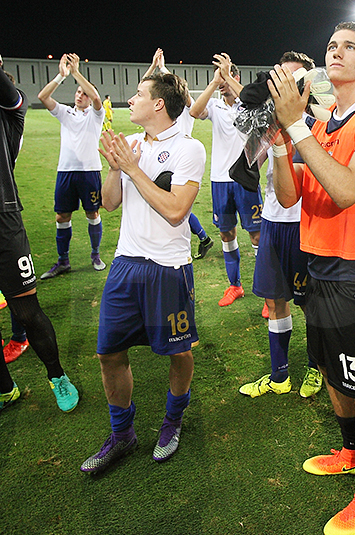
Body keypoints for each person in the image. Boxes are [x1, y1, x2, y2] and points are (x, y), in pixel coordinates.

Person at [270, 21, 355, 534]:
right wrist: (283, 142)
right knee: (330, 368)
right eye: (332, 45)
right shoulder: (323, 124)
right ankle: (351, 451)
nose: (337, 52)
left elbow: (347, 189)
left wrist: (299, 128)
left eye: (351, 47)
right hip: (318, 261)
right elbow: (289, 196)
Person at [80, 72, 205, 472]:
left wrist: (133, 169)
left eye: (138, 94)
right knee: (108, 353)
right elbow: (112, 204)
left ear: (158, 105)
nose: (130, 100)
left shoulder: (189, 149)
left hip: (169, 268)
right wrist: (116, 168)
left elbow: (174, 212)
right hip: (125, 264)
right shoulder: (132, 145)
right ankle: (123, 435)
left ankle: (172, 421)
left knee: (178, 351)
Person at [239, 51, 323, 399]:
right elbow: (249, 161)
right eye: (279, 79)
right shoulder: (265, 120)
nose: (283, 86)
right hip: (275, 222)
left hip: (308, 224)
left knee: (312, 305)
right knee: (275, 301)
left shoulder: (321, 120)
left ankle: (317, 370)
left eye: (293, 79)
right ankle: (279, 375)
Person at [0, 59, 79, 413]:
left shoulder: (10, 107)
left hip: (4, 221)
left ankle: (58, 377)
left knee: (28, 310)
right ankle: (5, 389)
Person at [190, 53, 262, 306]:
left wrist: (229, 77)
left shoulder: (249, 103)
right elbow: (194, 111)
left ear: (236, 76)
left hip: (246, 178)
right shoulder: (215, 106)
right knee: (226, 234)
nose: (221, 81)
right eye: (218, 76)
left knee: (256, 236)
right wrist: (213, 83)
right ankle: (235, 286)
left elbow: (259, 104)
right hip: (220, 180)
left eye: (226, 76)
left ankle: (267, 294)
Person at [37, 53, 106, 279]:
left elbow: (96, 98)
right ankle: (63, 261)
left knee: (92, 212)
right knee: (61, 217)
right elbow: (43, 96)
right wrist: (62, 76)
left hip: (89, 172)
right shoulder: (65, 112)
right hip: (65, 172)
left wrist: (77, 73)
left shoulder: (96, 115)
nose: (80, 95)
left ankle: (95, 255)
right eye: (78, 92)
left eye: (83, 93)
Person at [144, 48, 214, 260]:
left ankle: (202, 238)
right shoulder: (167, 108)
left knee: (175, 207)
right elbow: (145, 89)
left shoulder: (186, 108)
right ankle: (203, 239)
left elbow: (179, 90)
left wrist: (163, 67)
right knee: (172, 206)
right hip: (163, 159)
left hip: (179, 160)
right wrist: (154, 67)